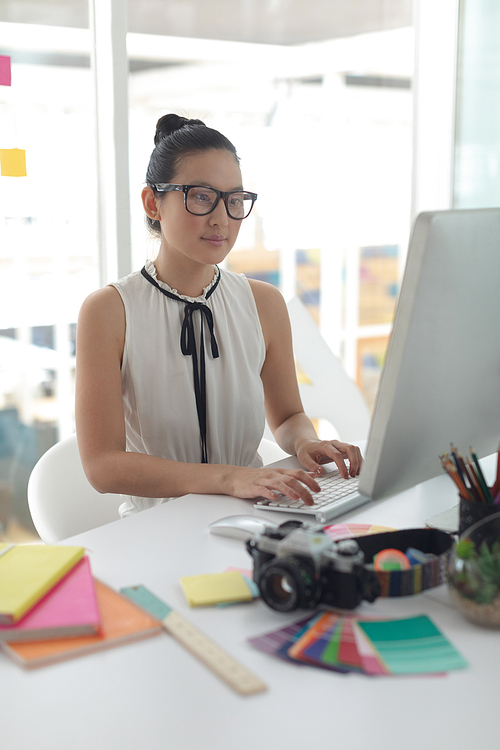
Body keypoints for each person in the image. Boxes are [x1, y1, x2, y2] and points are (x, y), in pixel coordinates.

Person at [75, 113, 362, 517]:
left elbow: (288, 416)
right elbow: (102, 466)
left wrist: (304, 442)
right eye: (201, 196)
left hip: (258, 512)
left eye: (234, 199)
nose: (221, 218)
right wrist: (229, 478)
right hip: (158, 527)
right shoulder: (108, 312)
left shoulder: (264, 303)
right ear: (152, 202)